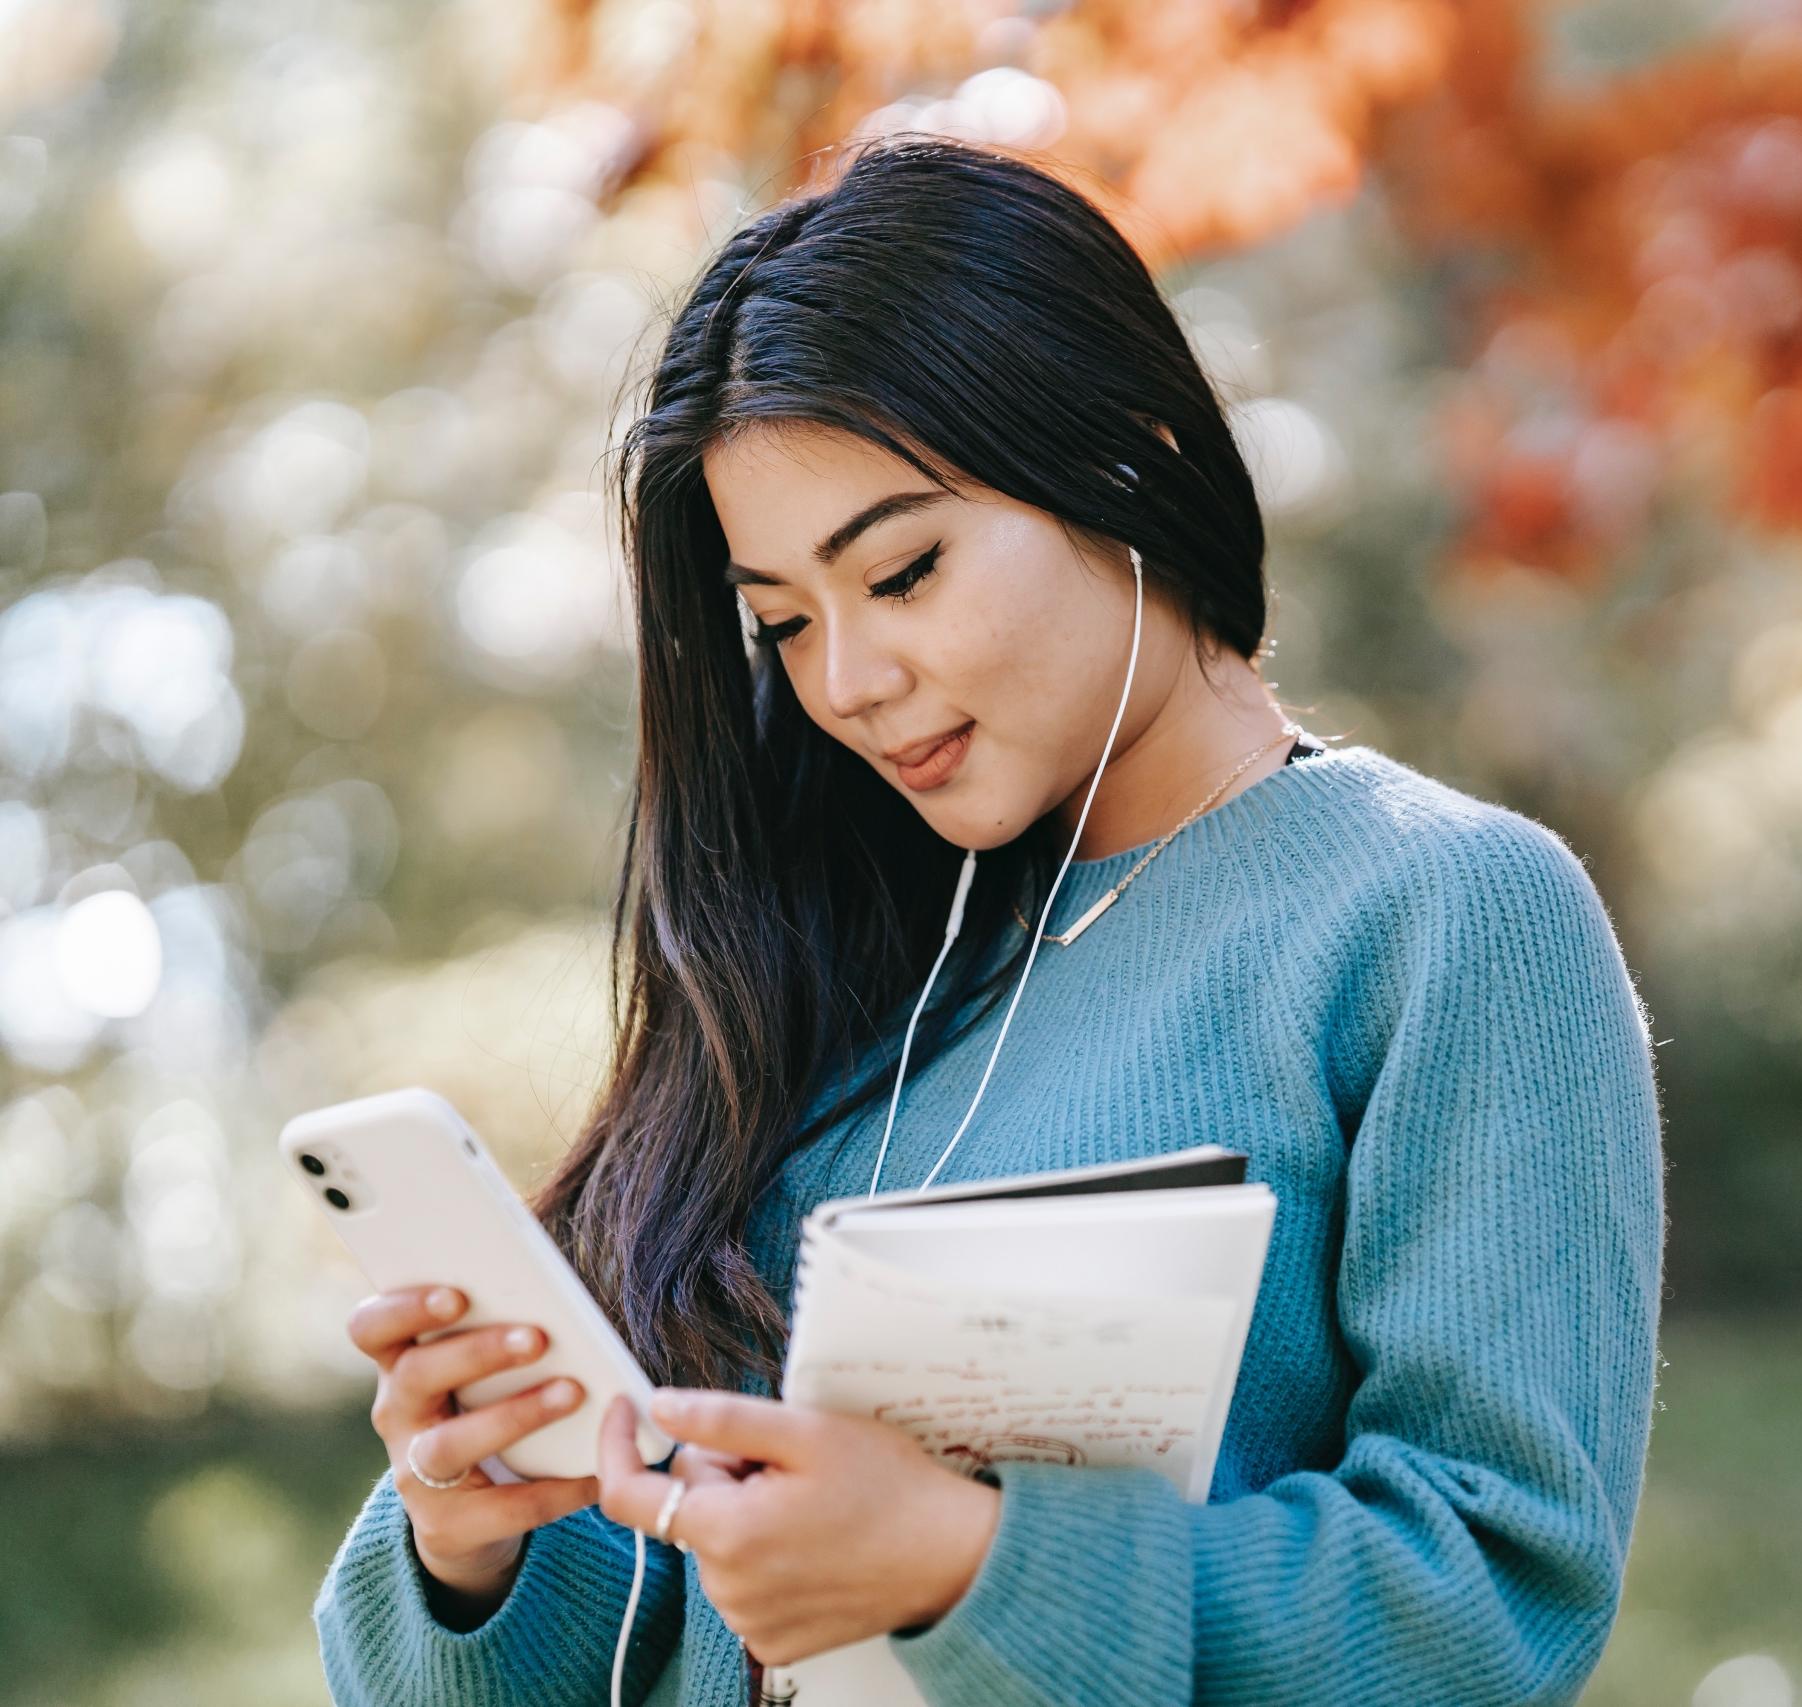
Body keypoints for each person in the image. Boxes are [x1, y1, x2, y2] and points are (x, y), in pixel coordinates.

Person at [310, 131, 1665, 1706]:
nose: (847, 683)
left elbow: (1493, 1609)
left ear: (1127, 450)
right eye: (784, 624)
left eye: (904, 570)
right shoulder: (831, 963)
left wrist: (975, 1566)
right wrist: (473, 1542)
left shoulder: (1442, 918)